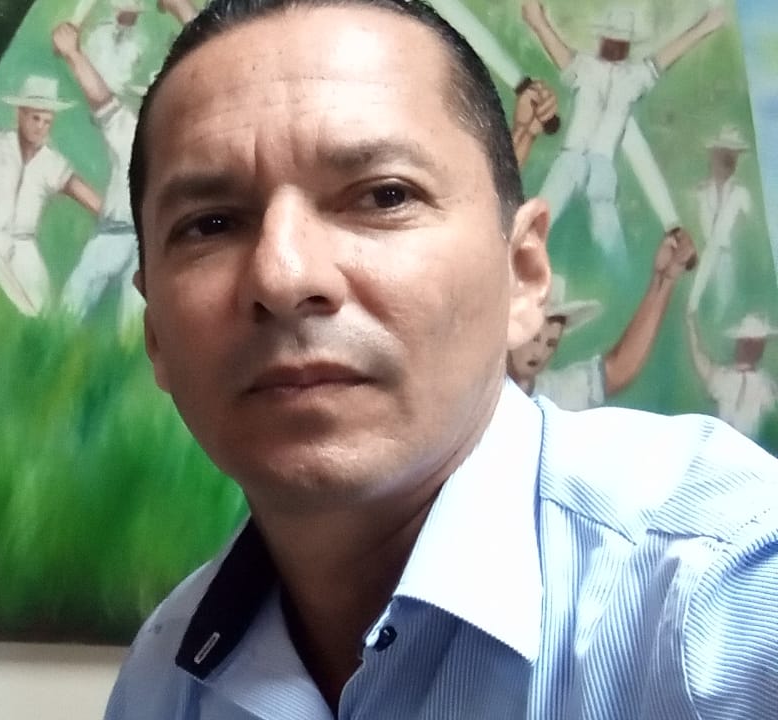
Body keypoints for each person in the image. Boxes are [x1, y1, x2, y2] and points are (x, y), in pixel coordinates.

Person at [109, 1, 778, 718]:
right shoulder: (163, 679)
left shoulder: (724, 594)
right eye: (210, 224)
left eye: (384, 196)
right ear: (156, 335)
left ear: (523, 273)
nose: (284, 276)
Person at [521, 1, 726, 267]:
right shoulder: (585, 67)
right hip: (572, 159)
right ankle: (519, 259)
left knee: (605, 230)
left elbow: (666, 56)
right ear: (603, 40)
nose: (615, 47)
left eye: (620, 42)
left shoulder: (634, 77)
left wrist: (705, 26)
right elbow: (552, 43)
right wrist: (537, 21)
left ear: (627, 45)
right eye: (612, 40)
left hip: (599, 164)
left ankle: (615, 273)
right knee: (543, 219)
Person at [54, 0, 198, 331]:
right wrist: (73, 54)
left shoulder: (196, 137)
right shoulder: (129, 129)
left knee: (136, 330)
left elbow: (214, 57)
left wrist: (180, 8)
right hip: (114, 233)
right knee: (67, 314)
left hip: (157, 245)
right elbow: (100, 98)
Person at [0, 74, 103, 316]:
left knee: (37, 313)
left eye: (47, 121)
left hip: (25, 247)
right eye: (35, 118)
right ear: (20, 114)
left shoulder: (52, 162)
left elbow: (92, 201)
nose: (41, 127)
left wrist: (126, 219)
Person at [508, 228, 697, 411]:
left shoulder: (554, 394)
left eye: (551, 343)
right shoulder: (491, 392)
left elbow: (619, 369)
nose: (540, 352)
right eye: (535, 338)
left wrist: (664, 280)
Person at [690, 124, 754, 317]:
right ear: (714, 157)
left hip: (727, 258)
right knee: (693, 307)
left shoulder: (741, 194)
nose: (728, 161)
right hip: (701, 257)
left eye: (732, 157)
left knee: (725, 308)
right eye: (724, 155)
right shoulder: (700, 192)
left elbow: (748, 231)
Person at [688, 312, 778, 437]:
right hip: (746, 446)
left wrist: (691, 322)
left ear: (738, 346)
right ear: (760, 350)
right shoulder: (767, 386)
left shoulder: (722, 378)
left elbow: (699, 357)